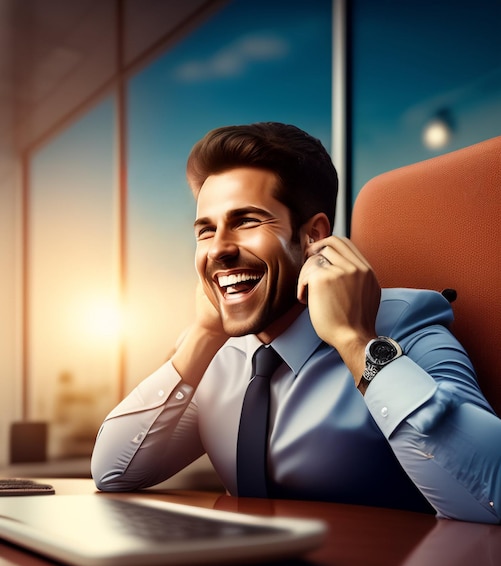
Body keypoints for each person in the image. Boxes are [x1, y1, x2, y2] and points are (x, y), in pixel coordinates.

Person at [91, 122, 501, 523]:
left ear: (313, 235)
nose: (218, 250)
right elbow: (113, 471)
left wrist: (354, 341)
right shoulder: (221, 352)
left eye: (246, 221)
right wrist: (203, 335)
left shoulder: (404, 323)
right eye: (206, 230)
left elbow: (492, 496)